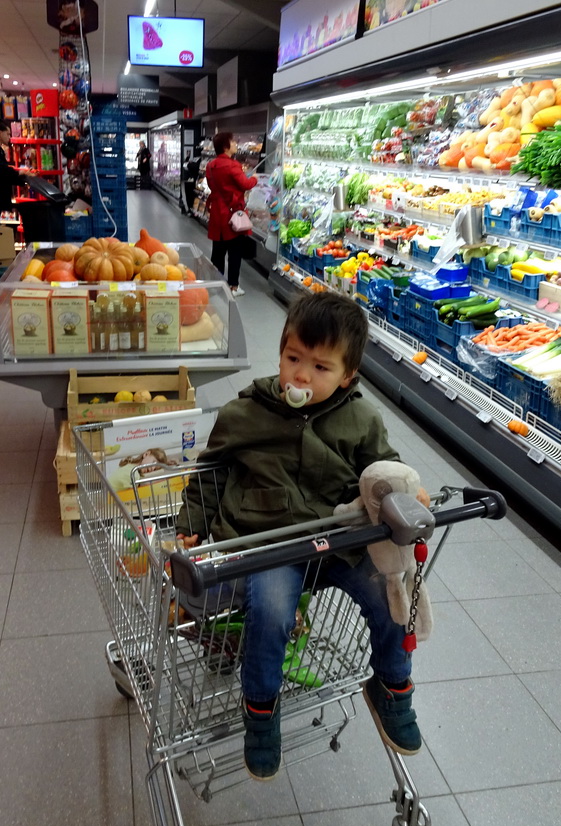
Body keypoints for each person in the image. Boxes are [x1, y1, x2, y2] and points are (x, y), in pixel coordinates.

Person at [176, 291, 429, 781]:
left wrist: (402, 495)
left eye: (320, 367)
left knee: (392, 591)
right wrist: (190, 527)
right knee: (270, 611)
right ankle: (261, 710)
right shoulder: (246, 412)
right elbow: (210, 473)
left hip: (337, 542)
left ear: (348, 375)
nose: (301, 376)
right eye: (293, 358)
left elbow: (384, 468)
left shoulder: (361, 419)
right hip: (269, 542)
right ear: (280, 353)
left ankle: (392, 686)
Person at [205, 131, 257, 297]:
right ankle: (234, 287)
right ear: (226, 146)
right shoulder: (233, 165)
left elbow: (213, 186)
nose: (235, 144)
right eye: (233, 142)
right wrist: (255, 178)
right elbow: (245, 184)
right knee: (235, 252)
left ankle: (217, 282)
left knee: (218, 250)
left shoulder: (211, 166)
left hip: (217, 213)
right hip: (232, 214)